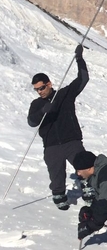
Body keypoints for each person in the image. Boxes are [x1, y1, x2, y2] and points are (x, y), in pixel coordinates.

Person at [27, 44, 89, 210]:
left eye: (41, 87)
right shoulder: (36, 104)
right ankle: (59, 194)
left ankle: (89, 190)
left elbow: (83, 79)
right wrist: (42, 111)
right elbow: (32, 121)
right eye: (36, 90)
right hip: (51, 144)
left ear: (49, 84)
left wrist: (79, 58)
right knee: (56, 174)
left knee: (84, 166)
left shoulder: (64, 95)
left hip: (71, 140)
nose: (39, 92)